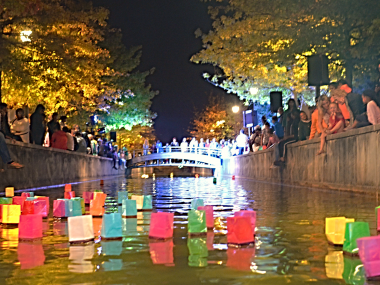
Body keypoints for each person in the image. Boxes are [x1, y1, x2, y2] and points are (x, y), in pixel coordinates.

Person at [0, 103, 24, 169]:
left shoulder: (4, 117)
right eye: (4, 110)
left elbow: (5, 127)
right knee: (1, 136)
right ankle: (8, 161)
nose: (5, 112)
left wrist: (9, 136)